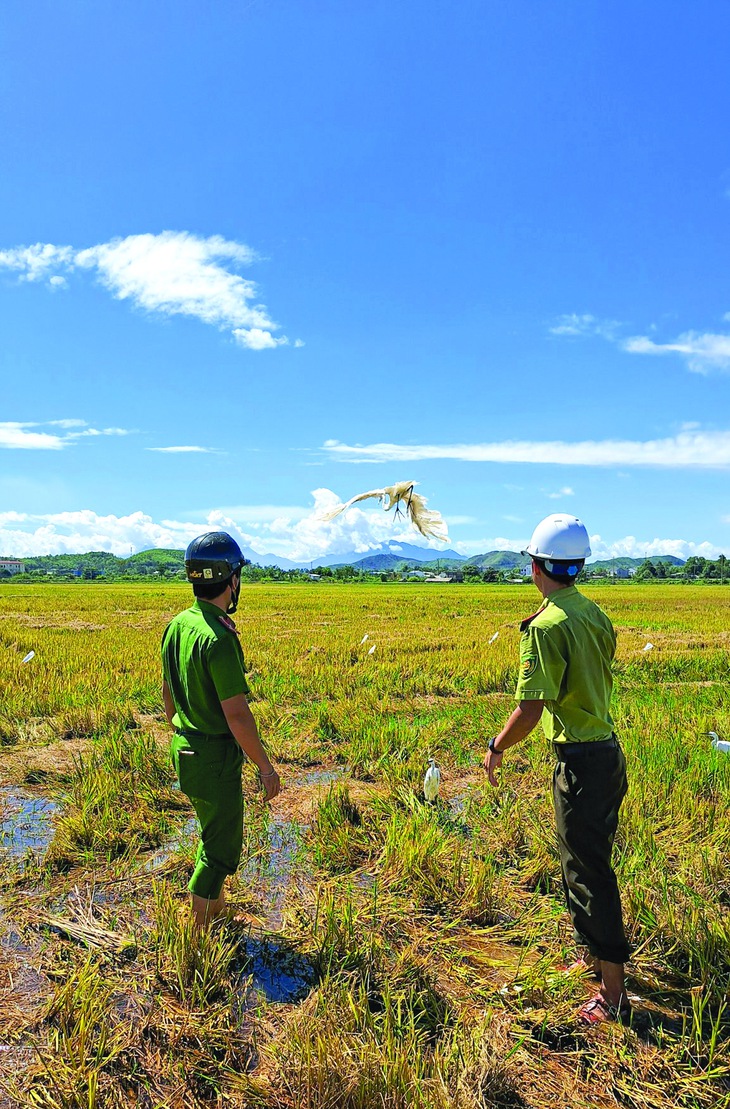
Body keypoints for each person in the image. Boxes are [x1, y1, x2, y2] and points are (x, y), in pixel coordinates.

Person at [483, 513, 630, 1024]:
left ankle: (612, 993)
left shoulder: (545, 626)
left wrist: (497, 746)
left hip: (581, 764)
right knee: (583, 862)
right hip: (608, 755)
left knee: (589, 873)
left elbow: (530, 709)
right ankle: (593, 956)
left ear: (536, 566)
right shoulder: (593, 613)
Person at [161, 531, 280, 927]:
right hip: (213, 759)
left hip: (186, 751)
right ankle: (199, 932)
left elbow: (168, 697)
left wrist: (186, 731)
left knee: (211, 835)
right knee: (220, 853)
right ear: (230, 579)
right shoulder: (219, 637)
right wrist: (266, 767)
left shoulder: (179, 625)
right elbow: (238, 716)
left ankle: (216, 910)